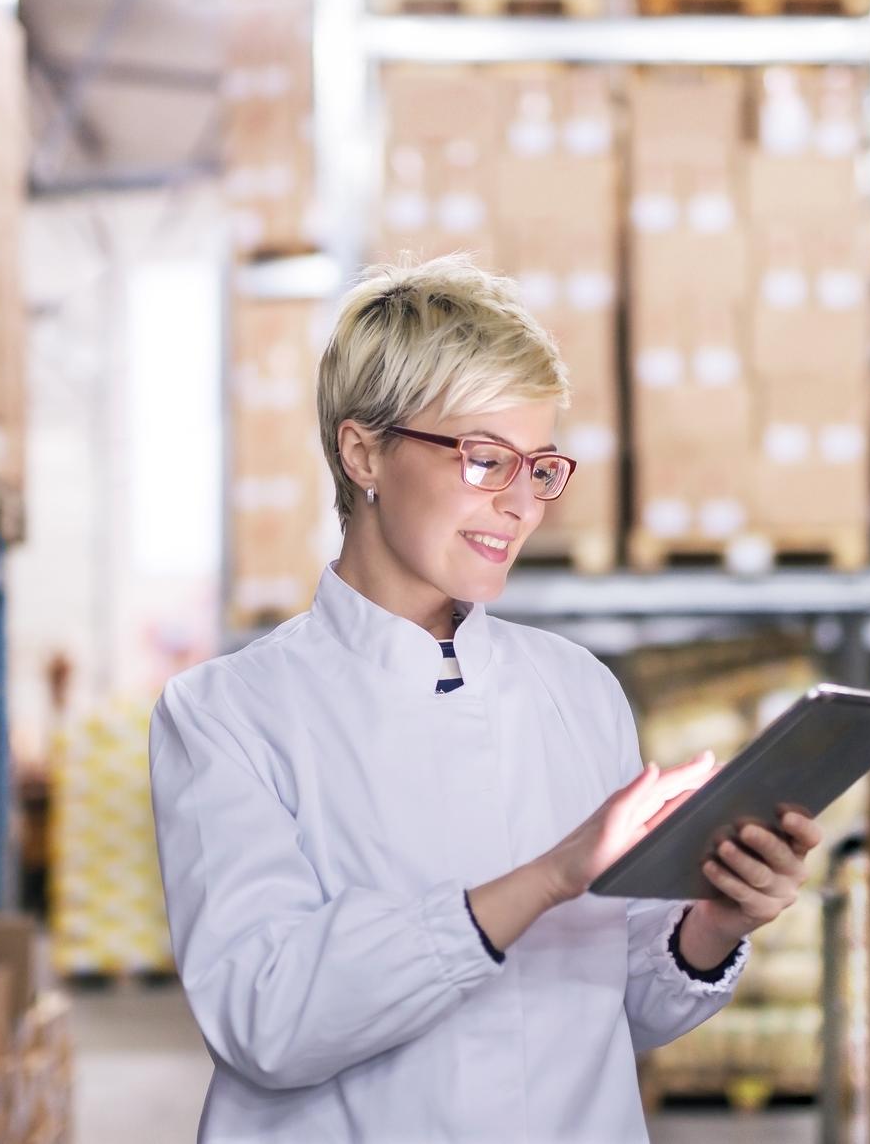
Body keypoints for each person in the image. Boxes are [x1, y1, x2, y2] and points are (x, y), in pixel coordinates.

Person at [150, 256, 823, 1142]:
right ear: (363, 453)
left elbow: (628, 1005)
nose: (520, 506)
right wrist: (544, 881)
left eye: (539, 467)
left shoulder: (576, 689)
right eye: (484, 459)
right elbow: (264, 1018)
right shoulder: (228, 715)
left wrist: (714, 923)